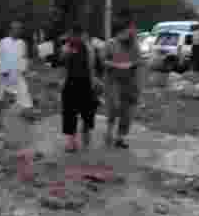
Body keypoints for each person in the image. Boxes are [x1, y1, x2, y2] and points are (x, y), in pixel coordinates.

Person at [60, 22, 105, 151]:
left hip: (87, 83)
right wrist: (66, 52)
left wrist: (97, 81)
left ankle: (86, 129)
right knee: (69, 113)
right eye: (70, 35)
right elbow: (61, 61)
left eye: (73, 34)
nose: (70, 37)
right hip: (70, 83)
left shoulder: (90, 47)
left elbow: (97, 66)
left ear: (79, 34)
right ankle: (71, 141)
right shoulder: (67, 46)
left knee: (88, 111)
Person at [0, 20, 33, 137]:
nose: (18, 31)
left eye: (19, 29)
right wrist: (2, 70)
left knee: (21, 99)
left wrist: (24, 69)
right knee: (0, 100)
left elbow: (24, 58)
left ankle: (12, 125)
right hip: (4, 75)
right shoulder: (3, 42)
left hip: (17, 75)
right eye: (15, 28)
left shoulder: (22, 43)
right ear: (11, 30)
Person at [104, 14, 142, 149]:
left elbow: (139, 60)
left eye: (130, 32)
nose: (129, 34)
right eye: (126, 32)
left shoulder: (134, 45)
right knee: (114, 107)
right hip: (113, 81)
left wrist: (131, 64)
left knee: (127, 112)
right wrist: (115, 64)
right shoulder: (111, 44)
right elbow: (103, 61)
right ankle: (109, 131)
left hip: (130, 82)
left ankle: (120, 137)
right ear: (120, 32)